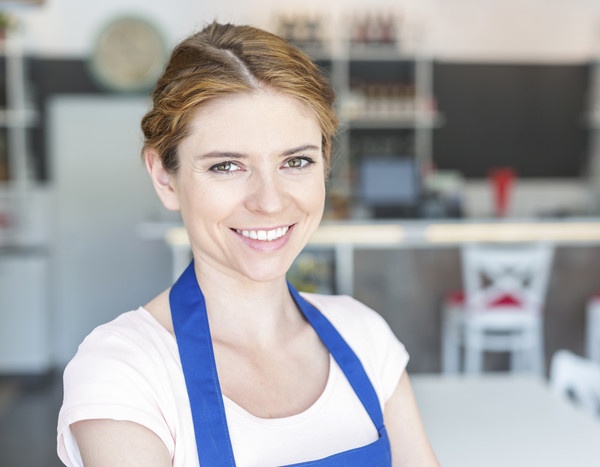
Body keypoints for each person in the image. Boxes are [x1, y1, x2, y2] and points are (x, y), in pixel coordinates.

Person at [56, 21, 439, 466]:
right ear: (165, 177)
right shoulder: (126, 370)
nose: (270, 202)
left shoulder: (365, 336)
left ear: (325, 164)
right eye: (226, 166)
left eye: (296, 161)